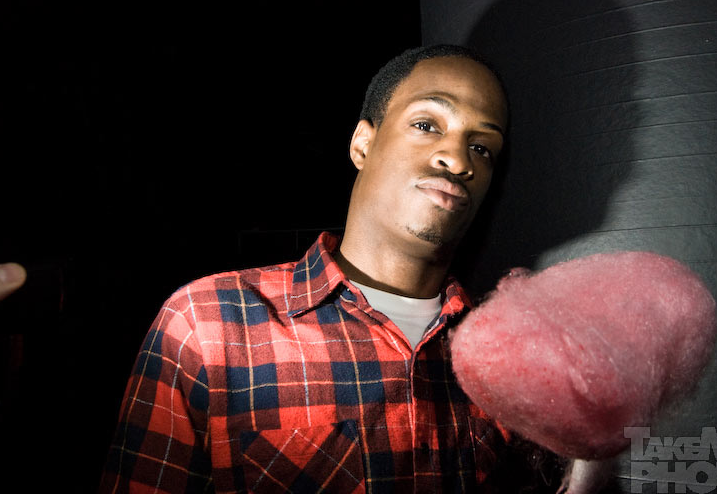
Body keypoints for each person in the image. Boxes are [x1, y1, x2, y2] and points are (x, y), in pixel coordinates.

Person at [99, 45, 563, 493]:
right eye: (426, 124)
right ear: (363, 144)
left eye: (481, 148)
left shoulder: (507, 351)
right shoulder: (209, 323)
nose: (458, 160)